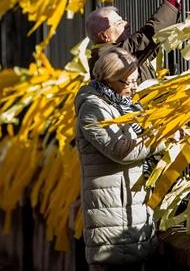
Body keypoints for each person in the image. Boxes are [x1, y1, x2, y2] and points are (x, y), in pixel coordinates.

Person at [74, 47, 184, 270]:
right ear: (109, 79)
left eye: (136, 80)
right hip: (111, 217)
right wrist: (162, 138)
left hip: (130, 211)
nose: (134, 87)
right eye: (129, 82)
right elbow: (120, 150)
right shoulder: (93, 108)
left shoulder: (125, 105)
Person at [86, 0, 185, 83]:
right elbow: (149, 35)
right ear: (104, 36)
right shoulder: (111, 56)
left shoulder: (108, 53)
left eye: (123, 20)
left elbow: (150, 44)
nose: (127, 24)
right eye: (119, 23)